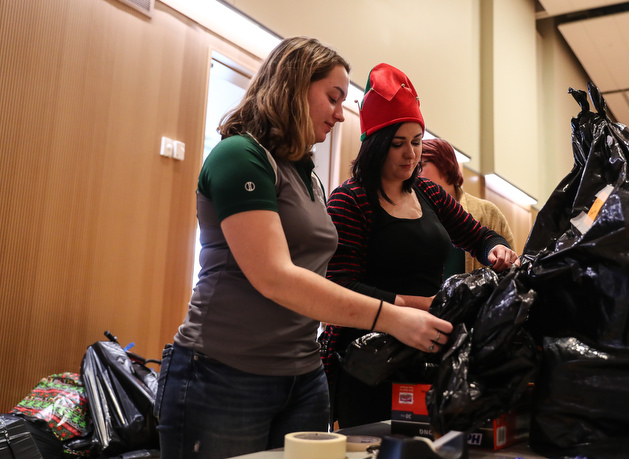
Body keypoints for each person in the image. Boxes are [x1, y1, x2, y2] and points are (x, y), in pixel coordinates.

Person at [154, 38, 453, 459]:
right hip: (224, 375)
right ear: (293, 87)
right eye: (333, 98)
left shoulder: (307, 176)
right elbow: (275, 276)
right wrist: (392, 317)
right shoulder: (239, 156)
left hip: (303, 374)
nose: (339, 114)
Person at [319, 63, 519, 428]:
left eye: (416, 142)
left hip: (424, 348)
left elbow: (477, 234)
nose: (410, 155)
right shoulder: (350, 201)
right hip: (366, 359)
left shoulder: (427, 192)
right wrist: (423, 306)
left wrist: (496, 248)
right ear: (376, 145)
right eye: (398, 144)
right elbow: (340, 287)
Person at [420, 138, 516, 278]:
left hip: (476, 297)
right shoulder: (414, 211)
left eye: (421, 165)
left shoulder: (487, 212)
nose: (415, 173)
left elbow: (509, 265)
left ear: (445, 164)